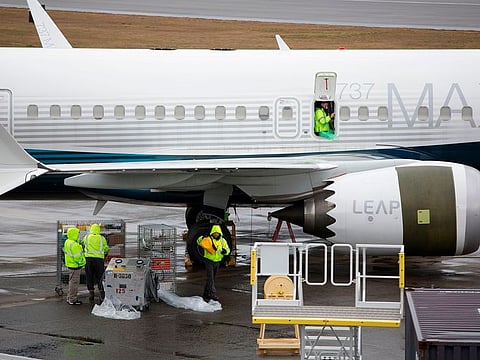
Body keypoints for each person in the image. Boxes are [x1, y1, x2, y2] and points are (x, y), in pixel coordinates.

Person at [197, 224, 230, 303]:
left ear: (219, 233)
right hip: (209, 261)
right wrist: (203, 237)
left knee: (211, 279)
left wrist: (225, 252)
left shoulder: (222, 241)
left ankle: (206, 294)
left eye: (217, 233)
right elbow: (199, 241)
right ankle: (212, 294)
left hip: (217, 262)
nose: (216, 234)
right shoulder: (208, 239)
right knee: (210, 278)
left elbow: (227, 249)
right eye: (214, 233)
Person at [81, 223, 109, 304]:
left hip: (88, 260)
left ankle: (91, 292)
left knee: (89, 276)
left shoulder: (86, 237)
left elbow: (83, 244)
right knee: (100, 276)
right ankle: (101, 292)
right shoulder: (102, 238)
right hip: (99, 260)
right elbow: (106, 248)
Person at [63, 227, 86, 305]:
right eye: (77, 234)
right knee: (74, 283)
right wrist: (82, 263)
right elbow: (78, 257)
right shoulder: (74, 245)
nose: (78, 235)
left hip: (70, 265)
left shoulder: (67, 242)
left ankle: (69, 297)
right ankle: (72, 299)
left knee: (71, 282)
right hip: (75, 266)